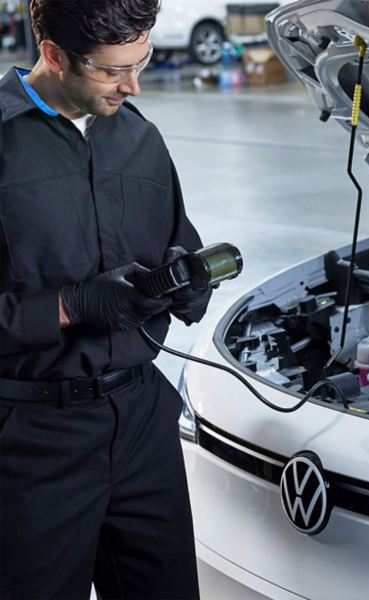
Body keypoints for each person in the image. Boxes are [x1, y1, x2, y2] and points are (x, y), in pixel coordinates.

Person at [0, 1, 211, 597]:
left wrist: (188, 283)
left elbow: (177, 241)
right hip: (32, 439)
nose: (134, 84)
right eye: (112, 70)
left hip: (142, 422)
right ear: (53, 54)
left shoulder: (140, 136)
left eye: (140, 61)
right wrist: (72, 306)